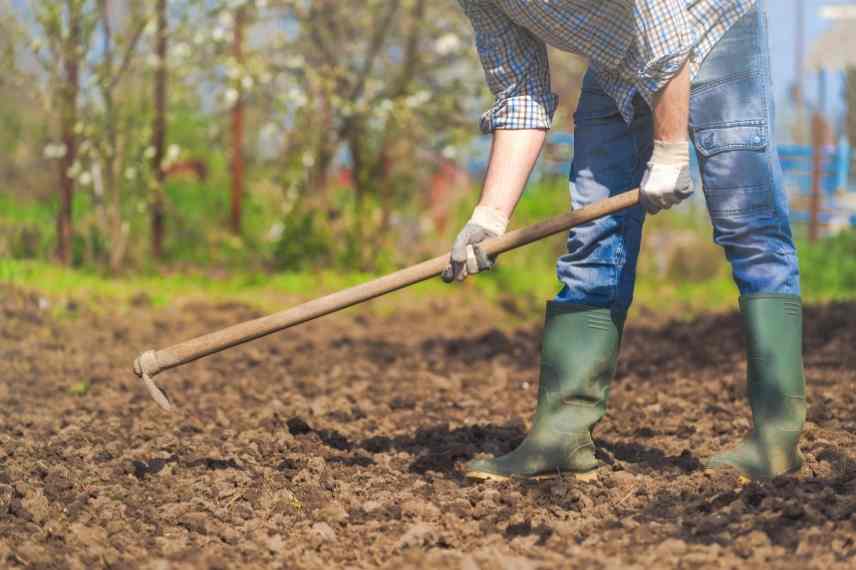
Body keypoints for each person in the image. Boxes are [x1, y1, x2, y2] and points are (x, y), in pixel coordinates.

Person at [445, 0, 806, 481]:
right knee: (593, 237)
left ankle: (775, 439)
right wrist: (489, 217)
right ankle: (560, 435)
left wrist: (671, 149)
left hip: (710, 25)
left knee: (749, 223)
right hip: (620, 60)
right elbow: (521, 94)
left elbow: (667, 26)